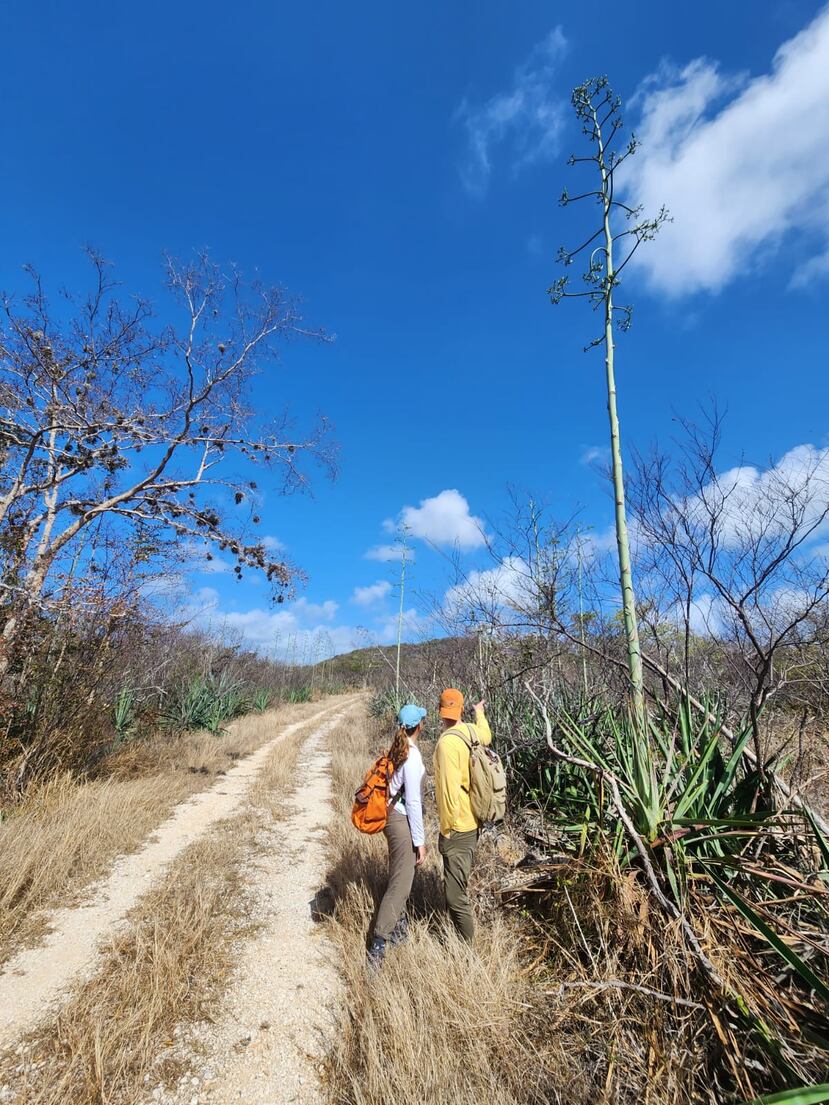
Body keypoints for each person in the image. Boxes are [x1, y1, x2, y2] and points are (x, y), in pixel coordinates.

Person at [367, 703, 427, 967]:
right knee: (401, 884)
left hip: (391, 816)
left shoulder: (400, 748)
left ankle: (398, 931)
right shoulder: (412, 757)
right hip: (401, 819)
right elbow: (413, 803)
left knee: (399, 876)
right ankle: (379, 944)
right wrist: (420, 842)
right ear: (419, 726)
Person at [433, 687, 491, 944]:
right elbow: (487, 736)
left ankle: (467, 949)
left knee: (455, 896)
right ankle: (459, 939)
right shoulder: (470, 731)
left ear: (440, 711)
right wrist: (479, 714)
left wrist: (446, 831)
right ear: (460, 709)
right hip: (474, 820)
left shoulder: (447, 743)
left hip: (458, 826)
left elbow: (449, 794)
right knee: (458, 884)